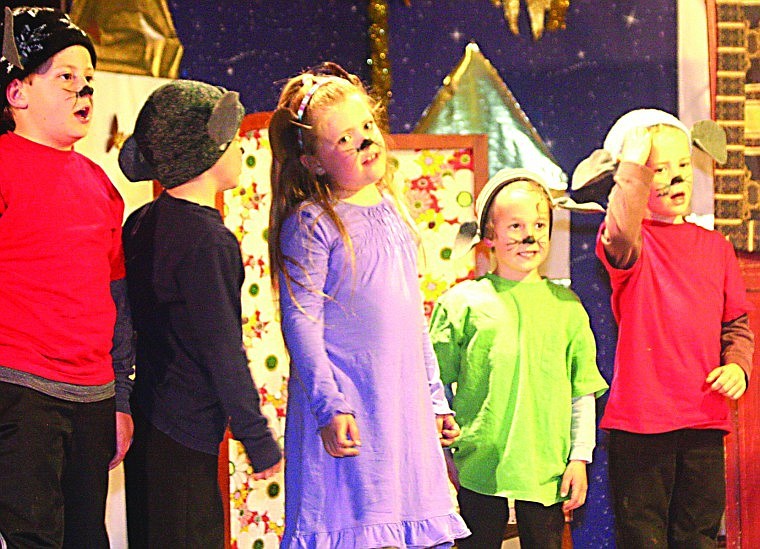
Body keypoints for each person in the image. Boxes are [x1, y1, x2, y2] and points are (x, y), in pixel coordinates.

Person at [267, 62, 470, 549]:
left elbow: (411, 319)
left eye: (367, 128)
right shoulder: (314, 223)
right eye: (342, 140)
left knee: (411, 528)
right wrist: (329, 405)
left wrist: (435, 399)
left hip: (402, 414)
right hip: (355, 412)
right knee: (361, 530)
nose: (363, 141)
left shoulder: (393, 212)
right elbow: (302, 322)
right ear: (314, 161)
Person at [119, 80, 282, 549]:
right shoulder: (207, 241)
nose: (239, 152)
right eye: (230, 141)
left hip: (149, 418)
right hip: (186, 428)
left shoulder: (143, 222)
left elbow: (126, 322)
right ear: (203, 152)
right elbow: (220, 346)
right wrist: (256, 435)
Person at [583, 108, 755, 548]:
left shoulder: (715, 247)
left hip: (702, 420)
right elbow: (620, 226)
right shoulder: (630, 243)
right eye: (658, 169)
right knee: (643, 535)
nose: (675, 177)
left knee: (696, 533)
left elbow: (736, 324)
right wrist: (633, 167)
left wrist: (737, 366)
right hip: (641, 425)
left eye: (682, 165)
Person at [0, 7, 135, 548]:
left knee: (87, 538)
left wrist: (121, 399)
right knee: (34, 537)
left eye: (89, 81)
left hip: (93, 395)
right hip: (20, 388)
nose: (83, 91)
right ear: (17, 93)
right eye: (65, 77)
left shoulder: (99, 184)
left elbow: (116, 298)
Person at [429, 168, 609, 549]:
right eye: (514, 226)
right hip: (478, 465)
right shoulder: (462, 304)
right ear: (489, 235)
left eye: (539, 224)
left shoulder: (567, 309)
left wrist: (579, 458)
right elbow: (434, 386)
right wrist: (443, 452)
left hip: (545, 468)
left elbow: (581, 395)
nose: (529, 235)